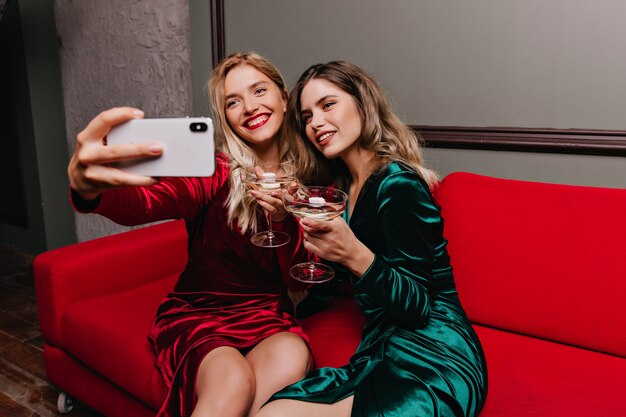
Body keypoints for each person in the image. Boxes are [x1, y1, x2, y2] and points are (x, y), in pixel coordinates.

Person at [67, 52, 312, 417]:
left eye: (259, 90)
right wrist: (91, 190)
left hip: (267, 316)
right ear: (225, 116)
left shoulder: (312, 176)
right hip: (200, 314)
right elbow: (149, 202)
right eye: (233, 101)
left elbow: (305, 273)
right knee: (232, 382)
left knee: (294, 356)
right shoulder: (213, 170)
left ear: (284, 97)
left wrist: (282, 220)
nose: (249, 107)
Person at [256, 61, 488, 417]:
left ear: (362, 104)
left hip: (435, 352)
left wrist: (354, 254)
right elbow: (323, 287)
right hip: (379, 346)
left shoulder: (398, 185)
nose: (315, 122)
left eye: (327, 104)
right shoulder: (340, 191)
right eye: (306, 116)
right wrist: (285, 221)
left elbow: (417, 306)